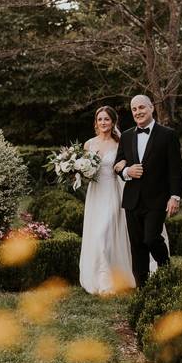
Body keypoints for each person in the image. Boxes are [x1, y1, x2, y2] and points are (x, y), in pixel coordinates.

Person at [115, 94, 182, 287]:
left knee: (151, 238)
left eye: (141, 107)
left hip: (157, 199)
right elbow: (118, 164)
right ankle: (142, 288)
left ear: (151, 108)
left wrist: (175, 197)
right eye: (134, 109)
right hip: (132, 200)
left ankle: (167, 269)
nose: (138, 112)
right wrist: (128, 171)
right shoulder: (127, 136)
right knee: (137, 246)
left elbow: (175, 169)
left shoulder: (168, 135)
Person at [79, 106, 136, 295]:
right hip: (95, 194)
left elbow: (126, 164)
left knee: (105, 234)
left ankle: (108, 283)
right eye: (100, 119)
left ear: (113, 122)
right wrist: (77, 172)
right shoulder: (89, 144)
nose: (103, 123)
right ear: (96, 122)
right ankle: (98, 278)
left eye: (107, 119)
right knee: (96, 236)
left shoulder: (120, 143)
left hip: (112, 192)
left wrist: (123, 164)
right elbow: (84, 171)